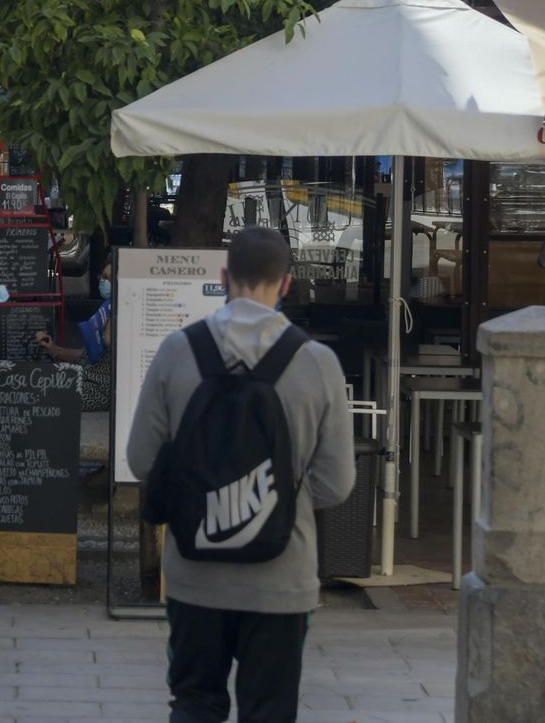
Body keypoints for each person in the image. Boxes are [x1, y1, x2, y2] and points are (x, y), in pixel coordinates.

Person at [127, 228, 354, 723]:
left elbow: (142, 460)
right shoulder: (318, 363)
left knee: (194, 704)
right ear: (288, 284)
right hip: (282, 578)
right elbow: (338, 482)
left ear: (224, 277)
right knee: (269, 712)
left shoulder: (176, 352)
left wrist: (204, 494)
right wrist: (274, 499)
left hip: (193, 575)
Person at [37, 262, 114, 412]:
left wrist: (117, 304)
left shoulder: (119, 311)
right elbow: (86, 355)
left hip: (101, 388)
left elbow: (108, 340)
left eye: (107, 278)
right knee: (40, 382)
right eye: (102, 276)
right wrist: (55, 350)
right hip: (84, 377)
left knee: (49, 397)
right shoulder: (106, 308)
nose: (102, 281)